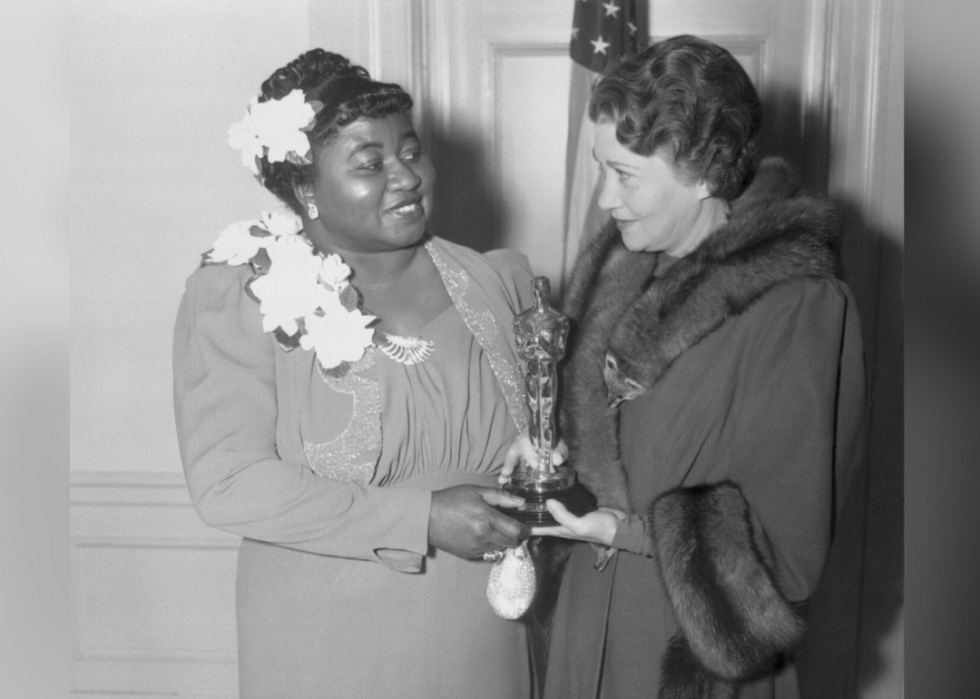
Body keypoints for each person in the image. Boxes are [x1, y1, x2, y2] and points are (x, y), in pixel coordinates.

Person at [173, 49, 538, 698]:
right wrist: (421, 518)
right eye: (370, 164)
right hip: (326, 638)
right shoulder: (241, 292)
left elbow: (546, 439)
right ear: (306, 189)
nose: (406, 176)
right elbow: (229, 482)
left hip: (481, 626)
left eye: (411, 151)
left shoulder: (497, 280)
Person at [519, 35, 867, 699]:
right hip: (583, 636)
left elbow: (783, 561)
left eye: (625, 175)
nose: (604, 198)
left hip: (688, 661)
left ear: (706, 171)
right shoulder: (620, 269)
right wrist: (547, 446)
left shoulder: (798, 306)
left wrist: (627, 531)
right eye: (601, 168)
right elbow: (607, 445)